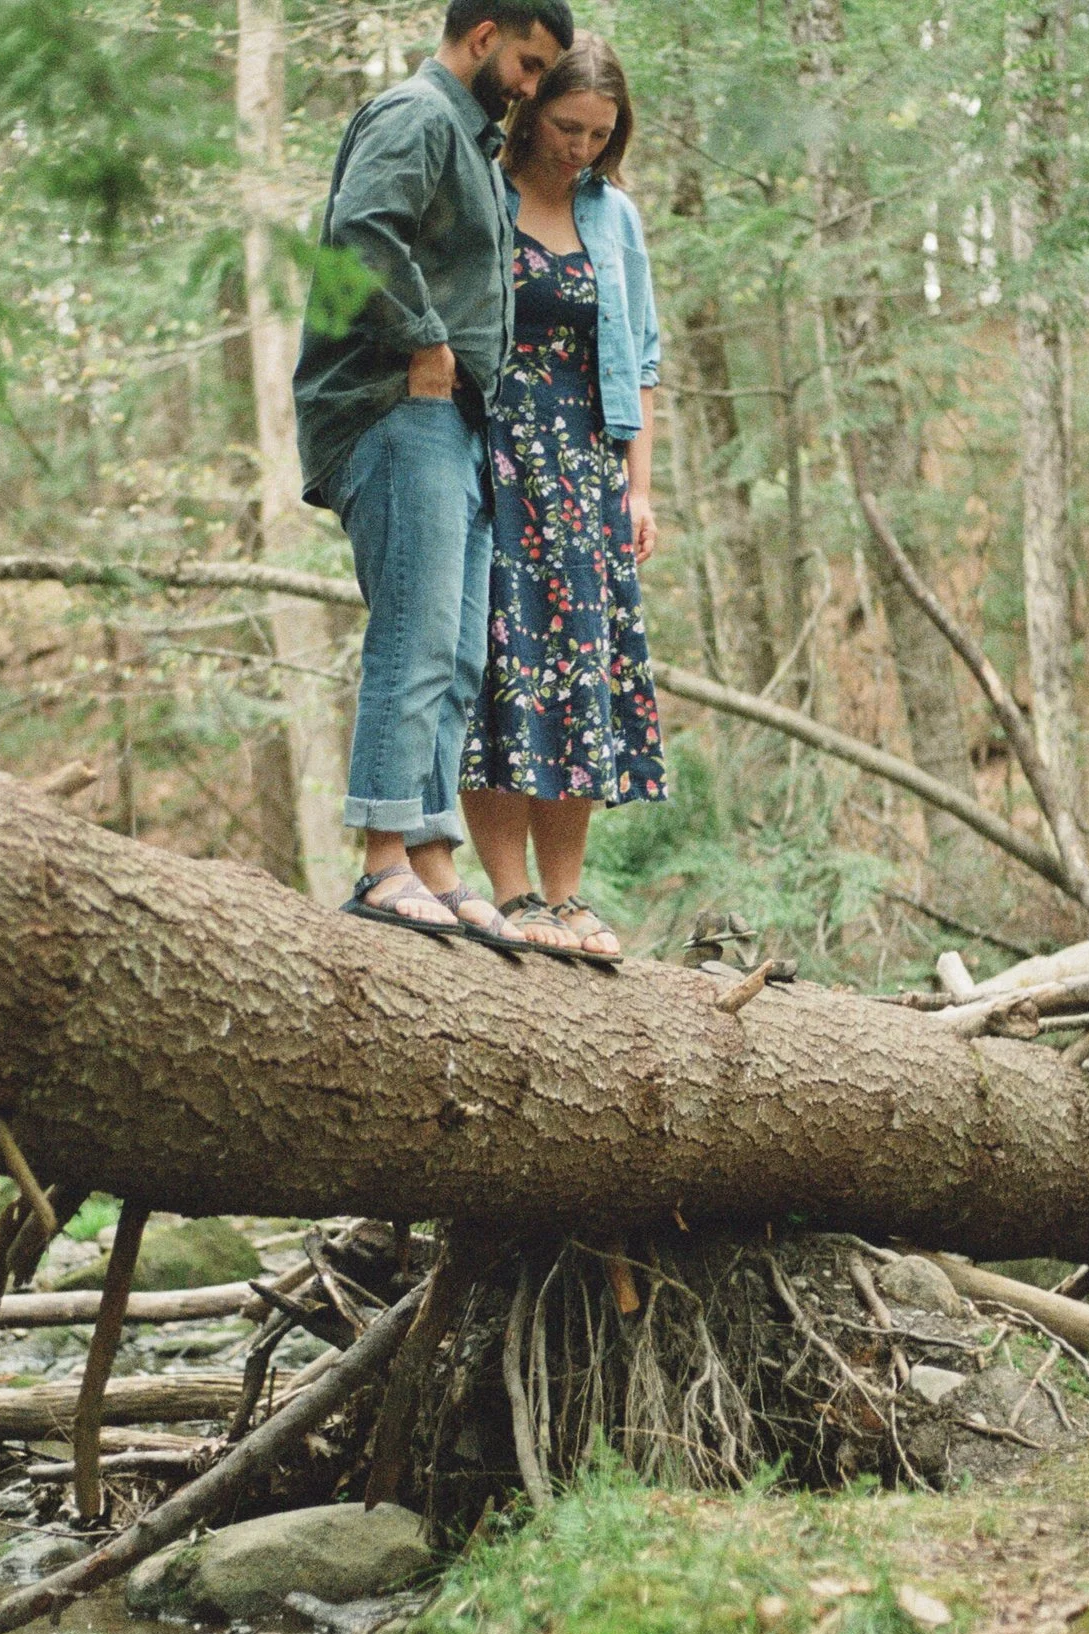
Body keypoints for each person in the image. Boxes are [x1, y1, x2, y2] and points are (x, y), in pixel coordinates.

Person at [294, 0, 575, 948]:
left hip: (458, 422)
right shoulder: (415, 116)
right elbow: (357, 241)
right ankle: (383, 860)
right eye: (529, 66)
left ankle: (431, 857)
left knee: (457, 654)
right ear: (485, 36)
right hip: (392, 406)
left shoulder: (473, 145)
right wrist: (424, 341)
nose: (531, 90)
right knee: (414, 637)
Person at [457, 35, 665, 961]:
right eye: (567, 126)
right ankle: (511, 894)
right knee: (499, 666)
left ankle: (567, 896)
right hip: (491, 453)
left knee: (579, 666)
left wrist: (639, 489)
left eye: (599, 133)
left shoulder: (614, 218)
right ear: (532, 110)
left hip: (585, 465)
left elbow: (642, 358)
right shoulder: (484, 191)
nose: (581, 146)